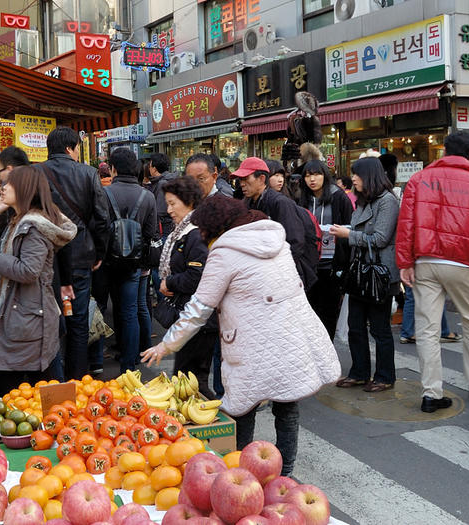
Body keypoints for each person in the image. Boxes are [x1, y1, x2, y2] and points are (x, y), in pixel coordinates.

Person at [142, 195, 339, 476]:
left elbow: (199, 308)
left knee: (243, 405)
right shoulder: (275, 240)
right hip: (291, 335)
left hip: (253, 341)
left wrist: (167, 344)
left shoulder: (224, 253)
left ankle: (241, 469)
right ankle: (285, 474)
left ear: (214, 228)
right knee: (287, 405)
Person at [396, 131, 469, 413]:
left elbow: (406, 223)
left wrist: (404, 263)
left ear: (444, 150)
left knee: (428, 328)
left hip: (426, 260)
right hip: (461, 262)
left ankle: (431, 394)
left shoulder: (419, 179)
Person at [0, 166, 76, 396]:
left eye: (8, 184)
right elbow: (6, 245)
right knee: (39, 387)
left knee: (36, 391)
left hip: (29, 317)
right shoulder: (22, 219)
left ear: (24, 189)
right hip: (27, 314)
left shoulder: (33, 227)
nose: (2, 188)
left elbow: (28, 270)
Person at [38, 127, 111, 380]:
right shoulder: (88, 173)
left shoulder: (36, 173)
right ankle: (76, 381)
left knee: (49, 321)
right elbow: (102, 218)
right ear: (71, 148)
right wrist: (99, 252)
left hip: (43, 257)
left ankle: (51, 381)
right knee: (78, 321)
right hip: (80, 257)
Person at [330, 158, 400, 393]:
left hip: (379, 274)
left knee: (379, 328)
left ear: (369, 176)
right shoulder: (362, 200)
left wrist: (348, 235)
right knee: (355, 325)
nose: (354, 179)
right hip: (360, 272)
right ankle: (359, 372)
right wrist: (347, 231)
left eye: (357, 175)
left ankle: (384, 376)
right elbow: (361, 231)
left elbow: (380, 238)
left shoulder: (388, 201)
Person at [158, 176, 217, 397]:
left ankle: (215, 428)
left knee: (192, 383)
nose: (169, 209)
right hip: (190, 317)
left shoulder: (195, 233)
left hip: (200, 322)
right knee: (185, 379)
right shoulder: (181, 232)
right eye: (168, 203)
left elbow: (198, 275)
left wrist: (169, 282)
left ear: (189, 202)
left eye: (173, 203)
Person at [103, 148, 158, 372]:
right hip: (134, 263)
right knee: (130, 311)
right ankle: (130, 362)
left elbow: (98, 228)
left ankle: (103, 358)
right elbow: (151, 233)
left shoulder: (104, 193)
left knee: (105, 308)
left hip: (107, 262)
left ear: (113, 168)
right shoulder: (147, 196)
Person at [235, 157, 318, 290]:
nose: (242, 184)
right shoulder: (247, 203)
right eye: (240, 180)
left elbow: (295, 242)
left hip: (287, 275)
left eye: (246, 179)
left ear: (262, 179)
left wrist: (278, 270)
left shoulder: (280, 203)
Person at [298, 160, 353, 340]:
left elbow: (350, 227)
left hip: (332, 263)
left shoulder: (339, 197)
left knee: (328, 311)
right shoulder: (303, 197)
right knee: (310, 310)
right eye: (308, 175)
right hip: (310, 262)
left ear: (325, 175)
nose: (312, 179)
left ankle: (328, 353)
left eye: (316, 174)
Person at [147, 152, 177, 238]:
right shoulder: (170, 179)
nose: (149, 168)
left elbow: (160, 211)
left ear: (154, 169)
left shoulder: (162, 183)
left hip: (164, 229)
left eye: (150, 166)